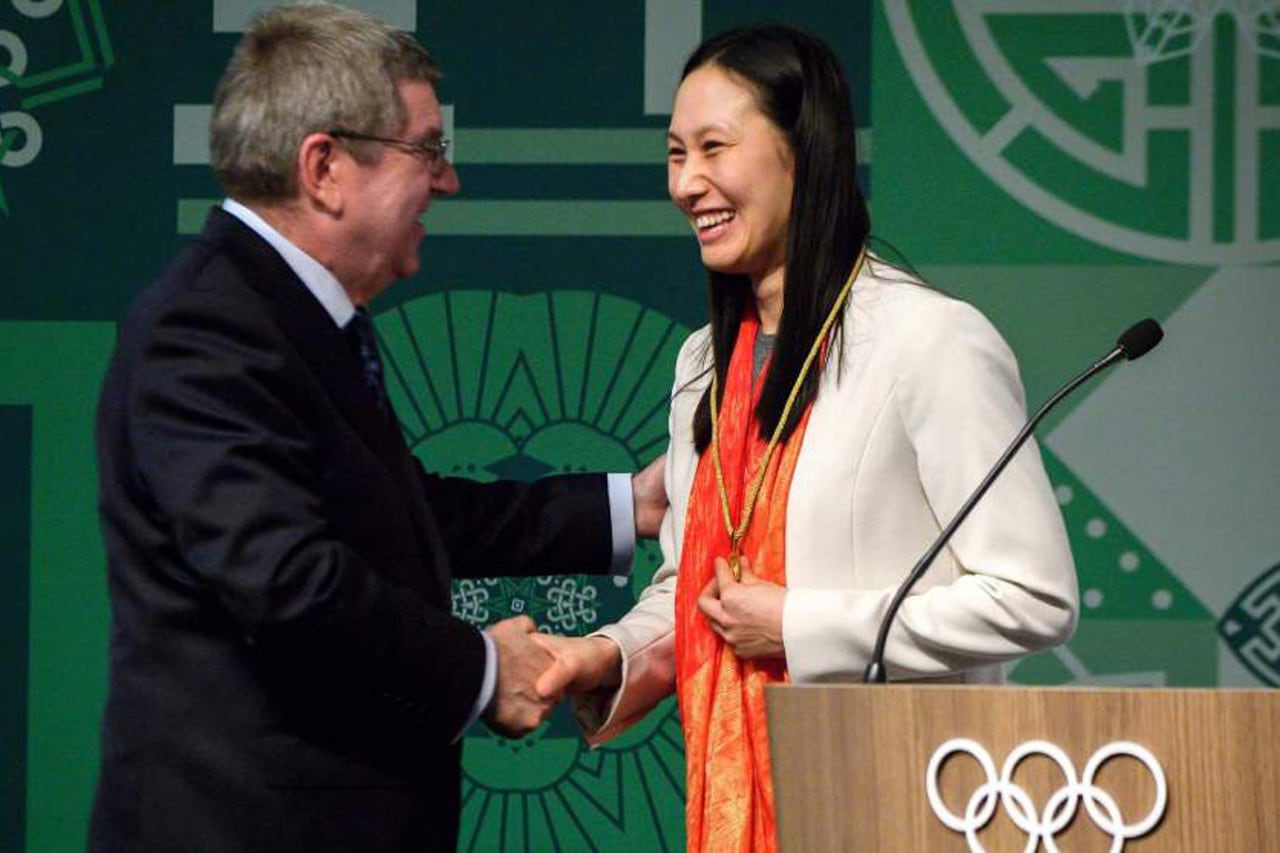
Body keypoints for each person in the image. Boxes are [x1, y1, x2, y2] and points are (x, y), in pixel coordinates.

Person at [89, 4, 664, 852]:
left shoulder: (290, 315)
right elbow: (290, 581)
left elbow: (395, 517)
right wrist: (483, 670)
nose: (447, 180)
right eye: (427, 150)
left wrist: (629, 505)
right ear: (324, 168)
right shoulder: (206, 330)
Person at [532, 24, 1079, 852]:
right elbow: (697, 592)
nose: (686, 183)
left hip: (897, 803)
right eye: (676, 154)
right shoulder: (703, 362)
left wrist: (802, 624)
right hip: (730, 806)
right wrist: (609, 653)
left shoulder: (928, 340)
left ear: (805, 152)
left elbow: (1033, 596)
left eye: (714, 147)